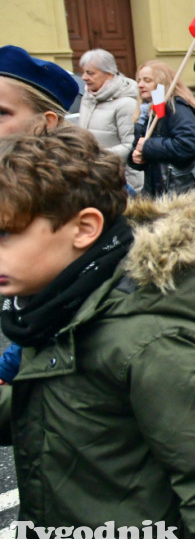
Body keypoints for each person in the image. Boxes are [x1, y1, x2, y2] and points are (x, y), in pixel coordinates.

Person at [0, 126, 195, 539]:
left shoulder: (151, 343)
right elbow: (48, 407)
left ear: (84, 228)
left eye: (5, 234)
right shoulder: (52, 307)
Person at [0, 45, 80, 391]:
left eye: (1, 113)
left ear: (45, 123)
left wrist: (7, 368)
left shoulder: (81, 193)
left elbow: (58, 305)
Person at [131, 60, 195, 301]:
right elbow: (141, 150)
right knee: (163, 236)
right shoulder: (149, 111)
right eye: (139, 79)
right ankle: (174, 290)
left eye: (147, 80)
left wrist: (148, 147)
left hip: (184, 185)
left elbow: (188, 144)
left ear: (162, 81)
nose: (140, 84)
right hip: (158, 185)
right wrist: (136, 157)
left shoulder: (178, 108)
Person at [78, 48, 143, 191]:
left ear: (109, 74)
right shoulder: (88, 98)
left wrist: (95, 157)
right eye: (83, 72)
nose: (83, 77)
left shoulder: (126, 103)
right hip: (95, 177)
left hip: (122, 181)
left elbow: (130, 145)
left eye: (90, 73)